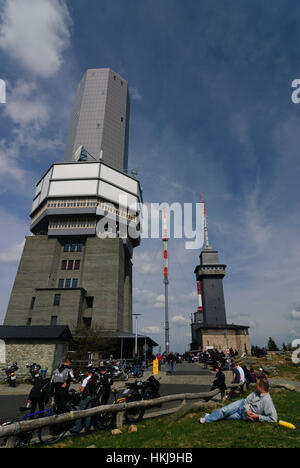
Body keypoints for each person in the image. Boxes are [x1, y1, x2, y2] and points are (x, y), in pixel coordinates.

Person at [199, 376, 277, 424]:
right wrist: (247, 410)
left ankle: (210, 416)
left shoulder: (267, 401)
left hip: (243, 416)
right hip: (241, 404)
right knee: (224, 411)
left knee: (226, 417)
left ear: (261, 388)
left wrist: (258, 417)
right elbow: (247, 400)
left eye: (256, 385)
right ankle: (207, 419)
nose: (255, 387)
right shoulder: (256, 392)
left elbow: (273, 419)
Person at [70, 366, 97, 434]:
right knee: (88, 412)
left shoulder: (86, 379)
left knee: (79, 411)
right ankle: (87, 427)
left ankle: (77, 428)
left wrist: (80, 389)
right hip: (92, 396)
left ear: (87, 372)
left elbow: (82, 389)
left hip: (86, 397)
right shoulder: (94, 378)